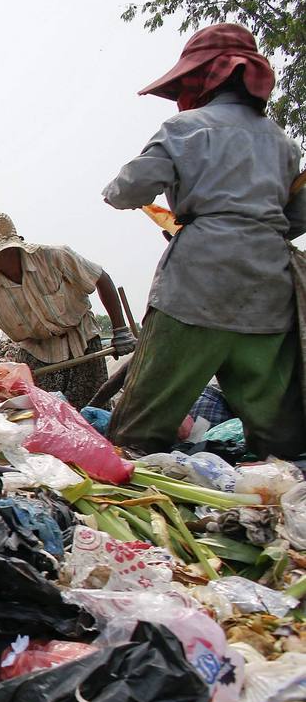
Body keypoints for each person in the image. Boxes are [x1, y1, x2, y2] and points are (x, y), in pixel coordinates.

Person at [102, 23, 306, 457]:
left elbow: (129, 190)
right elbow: (298, 216)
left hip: (196, 286)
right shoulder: (284, 144)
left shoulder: (185, 128)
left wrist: (117, 192)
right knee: (281, 443)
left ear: (206, 77)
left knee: (138, 432)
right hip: (268, 290)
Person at [0, 212, 136, 406]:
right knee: (47, 419)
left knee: (91, 414)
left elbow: (101, 279)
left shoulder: (55, 258)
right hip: (36, 357)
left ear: (9, 248)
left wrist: (120, 331)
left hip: (82, 346)